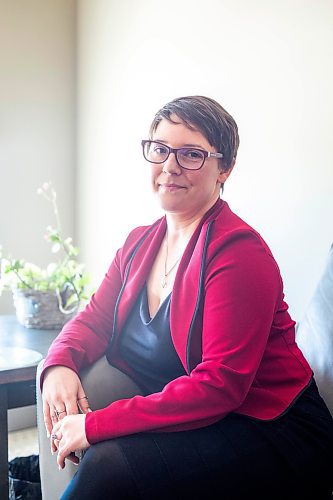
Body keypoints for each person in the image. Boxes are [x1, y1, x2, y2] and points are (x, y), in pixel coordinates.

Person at [40, 95, 333, 499]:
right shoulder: (139, 242)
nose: (170, 166)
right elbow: (93, 319)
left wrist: (96, 425)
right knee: (76, 422)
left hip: (269, 428)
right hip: (199, 417)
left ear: (224, 169)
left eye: (191, 154)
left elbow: (219, 386)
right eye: (160, 149)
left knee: (108, 467)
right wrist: (57, 364)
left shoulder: (239, 253)